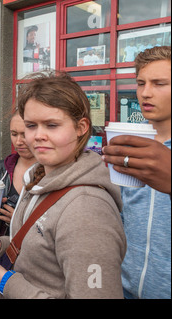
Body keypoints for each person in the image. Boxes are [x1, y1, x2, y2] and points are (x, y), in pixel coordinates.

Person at [0, 71, 126, 298]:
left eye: (51, 125)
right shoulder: (41, 177)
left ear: (81, 127)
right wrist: (1, 245)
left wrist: (4, 281)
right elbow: (44, 248)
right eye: (31, 125)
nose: (38, 136)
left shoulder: (87, 210)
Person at [102, 46, 171, 299]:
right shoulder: (129, 140)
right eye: (141, 83)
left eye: (159, 83)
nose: (146, 93)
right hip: (124, 288)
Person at [0, 112, 37, 235]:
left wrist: (19, 222)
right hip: (0, 248)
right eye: (14, 134)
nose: (19, 141)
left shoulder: (51, 173)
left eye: (24, 134)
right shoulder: (0, 168)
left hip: (33, 251)